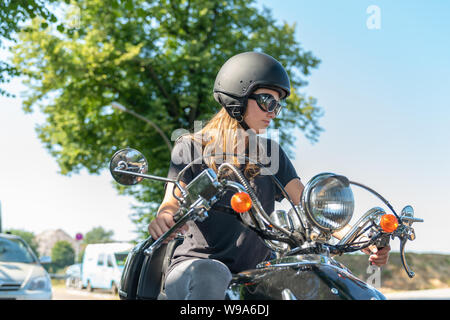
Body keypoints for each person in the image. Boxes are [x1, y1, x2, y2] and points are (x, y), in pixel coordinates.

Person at [147, 51, 390, 300]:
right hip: (195, 267)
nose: (274, 111)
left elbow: (309, 207)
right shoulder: (191, 147)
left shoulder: (271, 154)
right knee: (212, 273)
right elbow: (171, 201)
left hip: (253, 277)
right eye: (267, 101)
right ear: (237, 97)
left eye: (278, 104)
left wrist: (363, 239)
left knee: (325, 283)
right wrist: (165, 217)